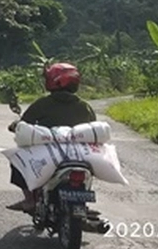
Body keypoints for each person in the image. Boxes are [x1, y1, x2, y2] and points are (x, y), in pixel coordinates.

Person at [6, 62, 97, 212]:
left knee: (17, 159)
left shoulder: (42, 104)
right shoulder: (84, 106)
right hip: (77, 155)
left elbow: (24, 124)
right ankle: (83, 200)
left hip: (48, 152)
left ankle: (29, 200)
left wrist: (15, 126)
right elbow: (93, 129)